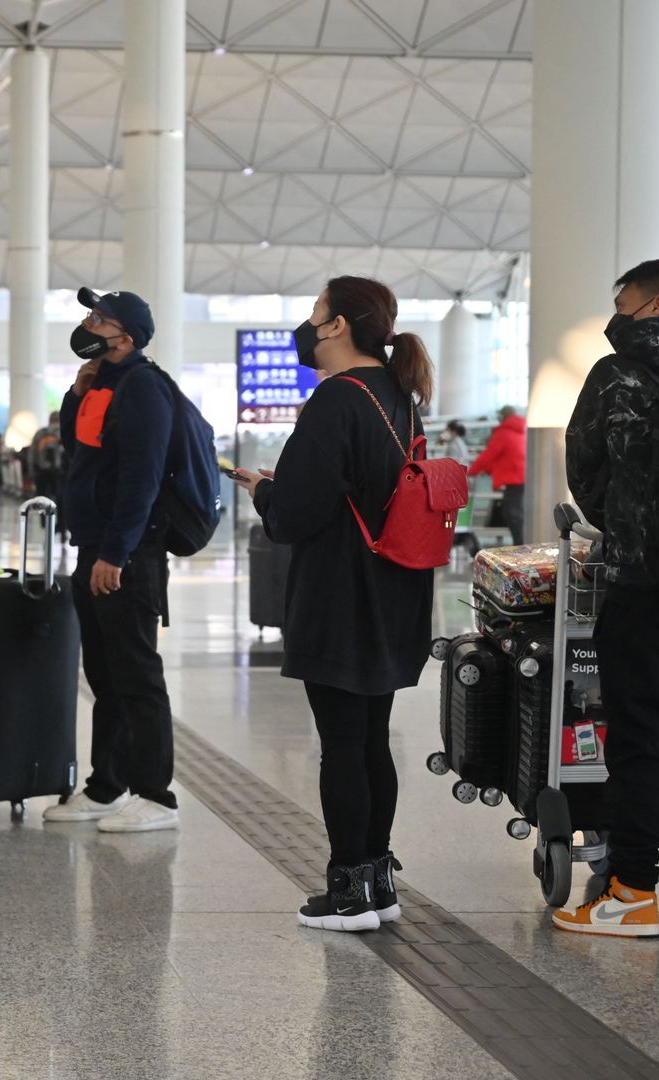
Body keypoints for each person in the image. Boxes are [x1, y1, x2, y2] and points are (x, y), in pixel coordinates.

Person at [232, 276, 437, 933]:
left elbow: (294, 515)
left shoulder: (334, 400)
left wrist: (266, 492)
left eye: (316, 313)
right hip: (395, 591)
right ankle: (376, 880)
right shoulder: (399, 396)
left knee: (343, 744)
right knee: (371, 739)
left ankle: (348, 891)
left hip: (341, 593)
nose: (308, 325)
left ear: (339, 325)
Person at [556, 258, 659, 939]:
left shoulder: (616, 374)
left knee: (641, 741)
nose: (616, 317)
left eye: (624, 303)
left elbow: (584, 474)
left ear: (657, 306)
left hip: (645, 585)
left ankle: (631, 890)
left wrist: (632, 525)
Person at [42, 288, 181, 834]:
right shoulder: (104, 384)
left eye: (99, 319)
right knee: (104, 674)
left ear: (126, 337)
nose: (87, 323)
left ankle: (156, 794)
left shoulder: (144, 387)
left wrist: (116, 554)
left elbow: (140, 480)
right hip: (94, 547)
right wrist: (76, 396)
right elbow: (84, 457)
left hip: (128, 555)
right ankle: (107, 785)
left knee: (137, 675)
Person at [470, 405, 527, 543]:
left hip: (513, 480)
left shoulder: (504, 433)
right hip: (521, 477)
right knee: (515, 513)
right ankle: (519, 544)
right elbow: (504, 457)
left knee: (512, 514)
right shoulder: (521, 431)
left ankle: (520, 546)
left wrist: (471, 471)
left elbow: (488, 455)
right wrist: (488, 470)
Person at [32, 411, 64, 501]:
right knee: (59, 496)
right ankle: (59, 515)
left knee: (41, 497)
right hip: (59, 470)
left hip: (41, 470)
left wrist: (32, 470)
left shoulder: (40, 433)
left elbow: (32, 454)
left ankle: (42, 514)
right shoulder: (63, 432)